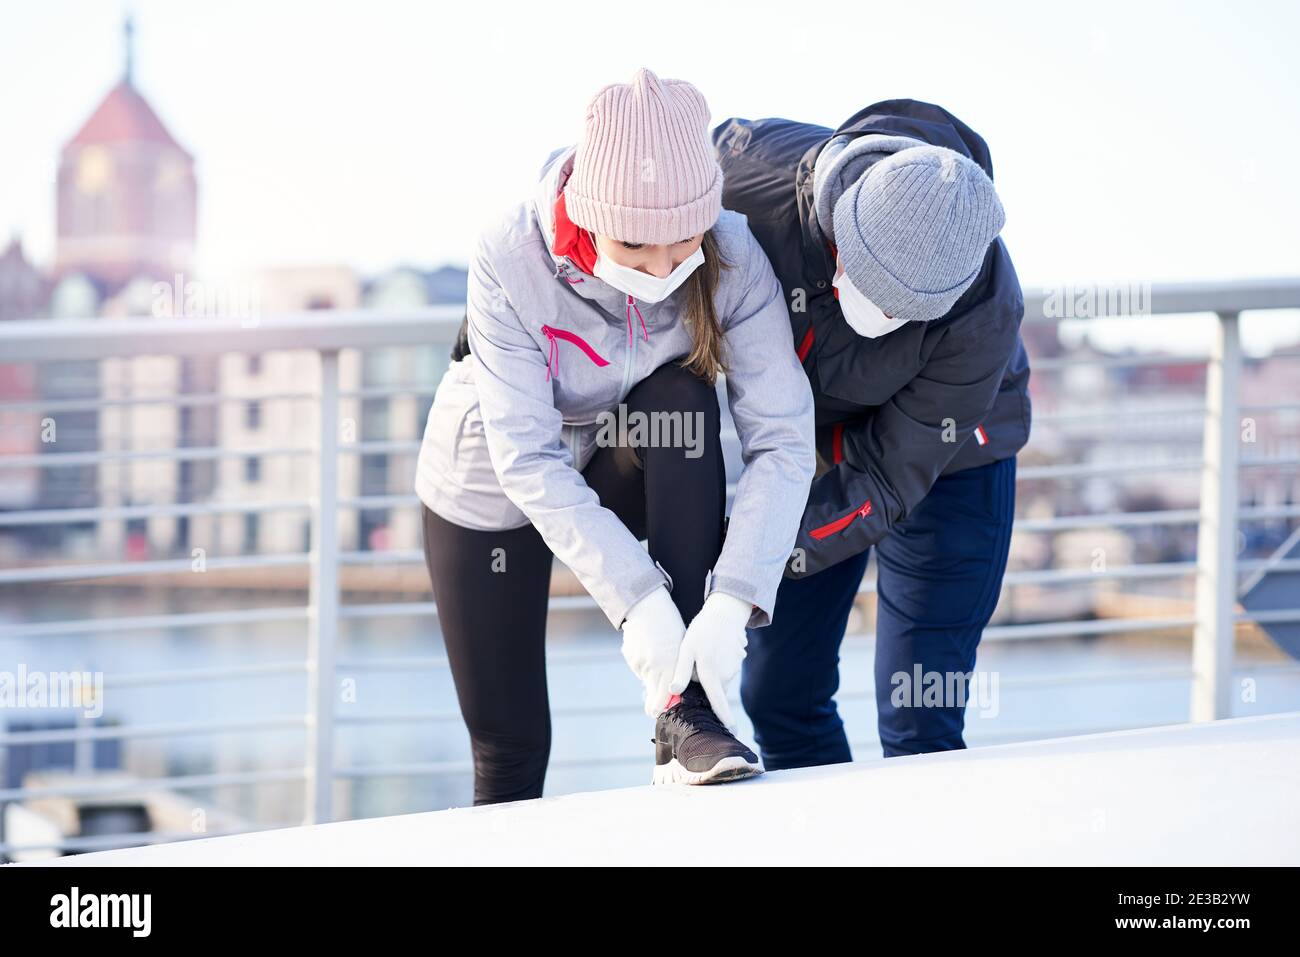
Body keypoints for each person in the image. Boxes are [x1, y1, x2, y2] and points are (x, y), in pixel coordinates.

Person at [417, 69, 815, 804]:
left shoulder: (730, 253)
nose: (665, 270)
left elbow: (786, 437)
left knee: (681, 400)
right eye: (635, 246)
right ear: (588, 213)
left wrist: (733, 600)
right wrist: (638, 604)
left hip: (610, 458)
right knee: (511, 745)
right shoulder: (509, 255)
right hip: (493, 488)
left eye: (683, 243)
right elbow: (528, 458)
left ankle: (683, 711)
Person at [712, 99, 1029, 766]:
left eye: (902, 310)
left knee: (921, 717)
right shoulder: (744, 174)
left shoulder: (985, 308)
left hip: (950, 459)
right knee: (777, 694)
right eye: (868, 285)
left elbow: (887, 477)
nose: (877, 313)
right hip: (816, 448)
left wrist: (753, 563)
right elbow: (625, 191)